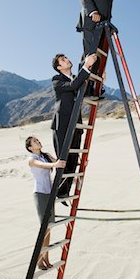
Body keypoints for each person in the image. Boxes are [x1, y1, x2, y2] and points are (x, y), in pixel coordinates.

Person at [76, 0, 139, 95]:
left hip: (104, 26)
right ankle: (83, 87)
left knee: (99, 59)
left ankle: (94, 89)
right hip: (91, 22)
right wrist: (93, 12)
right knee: (89, 55)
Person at [51, 53, 97, 198]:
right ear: (59, 67)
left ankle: (64, 192)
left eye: (66, 57)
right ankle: (56, 191)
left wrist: (97, 82)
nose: (67, 59)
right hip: (62, 123)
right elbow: (72, 86)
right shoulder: (57, 79)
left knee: (73, 158)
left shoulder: (77, 78)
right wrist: (86, 66)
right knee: (63, 159)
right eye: (63, 60)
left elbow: (85, 91)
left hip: (76, 123)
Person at [25, 136, 66, 270]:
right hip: (40, 194)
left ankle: (46, 259)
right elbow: (42, 166)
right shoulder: (31, 159)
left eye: (37, 140)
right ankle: (38, 260)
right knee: (45, 227)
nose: (38, 142)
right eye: (34, 142)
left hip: (50, 194)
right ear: (30, 148)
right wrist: (54, 165)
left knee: (49, 227)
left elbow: (60, 163)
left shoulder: (46, 155)